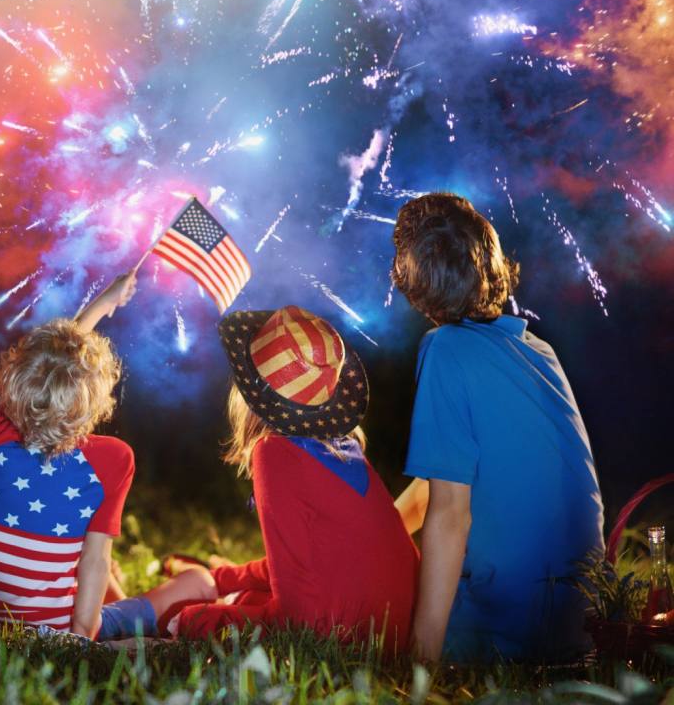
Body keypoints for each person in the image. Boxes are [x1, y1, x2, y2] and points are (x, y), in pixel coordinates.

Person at [109, 306, 419, 651]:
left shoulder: (276, 453)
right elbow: (307, 566)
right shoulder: (344, 449)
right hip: (390, 634)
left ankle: (108, 624)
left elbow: (298, 616)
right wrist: (224, 579)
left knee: (196, 612)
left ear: (250, 392)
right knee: (223, 587)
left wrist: (206, 619)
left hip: (340, 637)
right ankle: (120, 617)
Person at [391, 192, 604, 662]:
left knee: (382, 606)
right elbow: (440, 484)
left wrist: (421, 661)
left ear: (415, 281)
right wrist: (383, 528)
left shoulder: (445, 349)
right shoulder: (539, 351)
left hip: (508, 626)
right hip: (580, 615)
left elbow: (449, 514)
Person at [0, 272, 138, 639]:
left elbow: (52, 367)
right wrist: (81, 637)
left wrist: (103, 301)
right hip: (61, 629)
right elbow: (95, 561)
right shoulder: (113, 459)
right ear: (95, 397)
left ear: (14, 381)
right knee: (186, 586)